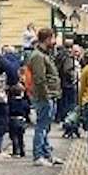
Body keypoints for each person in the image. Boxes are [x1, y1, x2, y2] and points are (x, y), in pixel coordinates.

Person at [25, 26, 62, 166]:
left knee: (45, 126)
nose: (54, 41)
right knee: (42, 126)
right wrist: (46, 95)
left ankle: (46, 154)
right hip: (44, 96)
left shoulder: (43, 54)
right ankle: (38, 155)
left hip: (50, 95)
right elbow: (40, 78)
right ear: (47, 39)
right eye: (53, 38)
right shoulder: (38, 56)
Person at [55, 38, 79, 124]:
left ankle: (58, 117)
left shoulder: (59, 55)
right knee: (69, 102)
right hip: (67, 83)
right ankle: (67, 119)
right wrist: (72, 78)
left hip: (60, 81)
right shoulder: (68, 56)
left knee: (61, 101)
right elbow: (68, 69)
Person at [6, 82, 30, 157]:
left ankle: (16, 151)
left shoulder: (10, 101)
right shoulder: (24, 102)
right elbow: (27, 109)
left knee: (14, 137)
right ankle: (22, 151)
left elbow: (8, 110)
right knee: (21, 136)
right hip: (21, 120)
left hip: (13, 119)